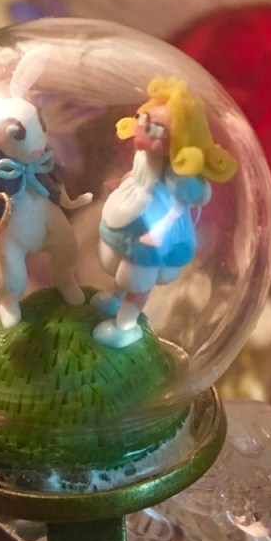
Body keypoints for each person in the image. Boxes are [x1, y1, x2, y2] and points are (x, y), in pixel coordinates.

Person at [92, 77, 236, 347]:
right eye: (143, 120)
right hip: (129, 216)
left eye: (156, 128)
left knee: (138, 274)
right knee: (118, 262)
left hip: (155, 233)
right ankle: (116, 298)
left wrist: (158, 232)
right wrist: (122, 183)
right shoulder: (146, 156)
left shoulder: (178, 178)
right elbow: (139, 176)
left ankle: (126, 324)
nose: (143, 129)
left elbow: (178, 207)